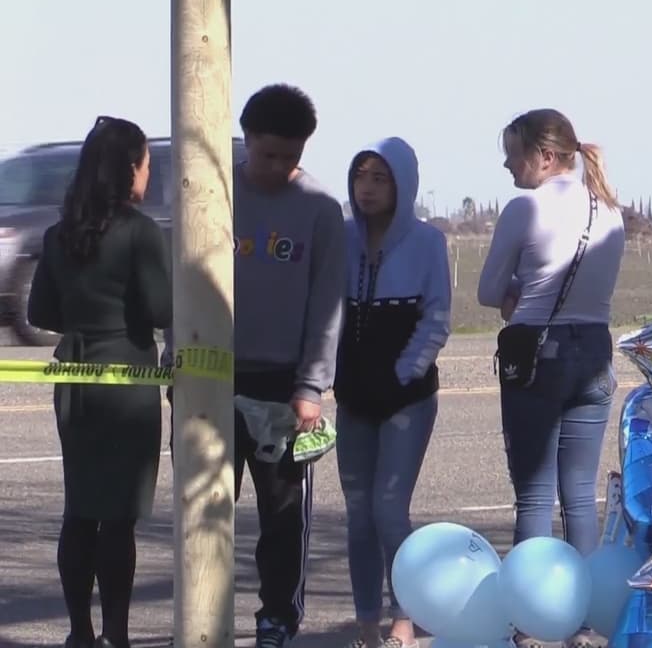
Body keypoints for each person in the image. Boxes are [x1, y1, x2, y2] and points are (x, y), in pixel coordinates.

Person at [165, 84, 346, 647]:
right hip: (209, 377)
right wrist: (175, 356)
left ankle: (277, 619)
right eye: (268, 154)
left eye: (291, 156)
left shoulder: (320, 210)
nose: (277, 167)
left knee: (282, 515)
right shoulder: (209, 196)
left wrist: (311, 385)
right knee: (203, 508)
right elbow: (181, 281)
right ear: (245, 139)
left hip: (282, 386)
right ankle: (202, 617)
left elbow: (327, 305)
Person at [477, 109, 626, 648]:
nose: (507, 164)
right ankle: (581, 620)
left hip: (538, 356)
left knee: (535, 496)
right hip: (595, 353)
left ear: (543, 157)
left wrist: (521, 290)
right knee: (580, 496)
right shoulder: (609, 210)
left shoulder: (526, 207)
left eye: (513, 153)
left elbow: (488, 292)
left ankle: (532, 620)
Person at [28, 115, 173, 648]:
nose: (148, 175)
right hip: (127, 378)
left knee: (80, 509)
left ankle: (79, 632)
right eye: (146, 165)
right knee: (118, 518)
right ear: (129, 168)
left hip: (75, 380)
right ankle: (116, 633)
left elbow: (40, 311)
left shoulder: (59, 234)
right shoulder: (140, 232)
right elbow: (161, 308)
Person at [334, 138, 451, 648]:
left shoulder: (427, 242)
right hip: (353, 398)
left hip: (407, 397)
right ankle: (366, 622)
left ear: (403, 184)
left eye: (380, 178)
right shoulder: (341, 239)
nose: (368, 188)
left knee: (388, 510)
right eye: (360, 176)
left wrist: (403, 373)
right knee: (358, 515)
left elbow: (437, 318)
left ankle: (405, 616)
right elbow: (325, 314)